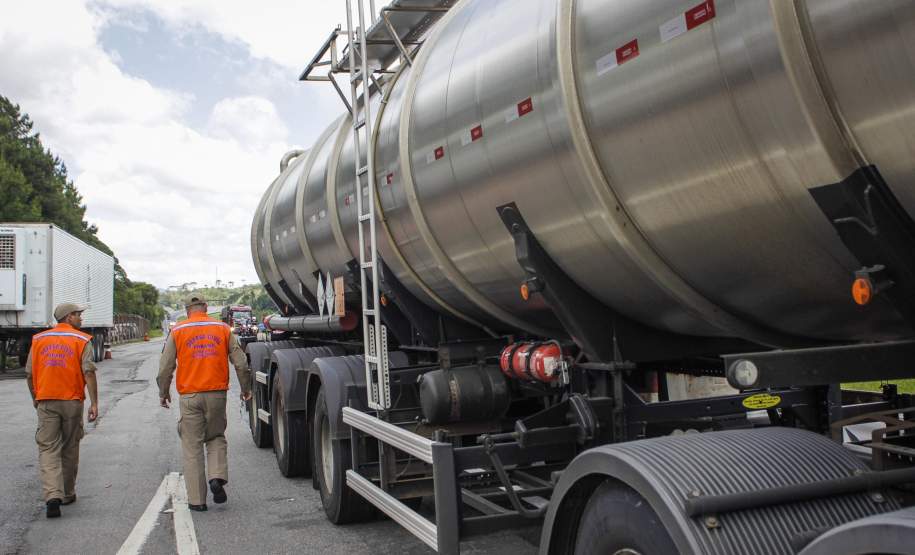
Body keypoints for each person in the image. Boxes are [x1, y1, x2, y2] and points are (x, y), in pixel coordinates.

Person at [157, 295, 252, 511]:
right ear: (206, 308)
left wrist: (163, 392)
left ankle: (197, 501)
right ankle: (216, 477)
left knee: (192, 446)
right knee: (216, 436)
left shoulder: (178, 330)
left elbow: (165, 367)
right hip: (217, 394)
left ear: (187, 310)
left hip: (189, 396)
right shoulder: (222, 328)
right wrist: (246, 389)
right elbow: (241, 363)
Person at [25, 303, 99, 519]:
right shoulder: (81, 340)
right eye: (78, 315)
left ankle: (52, 496)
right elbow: (89, 372)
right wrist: (94, 403)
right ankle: (66, 493)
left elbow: (29, 373)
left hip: (46, 400)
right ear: (68, 317)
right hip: (72, 401)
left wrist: (35, 398)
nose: (81, 319)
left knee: (48, 448)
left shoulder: (39, 340)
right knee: (69, 446)